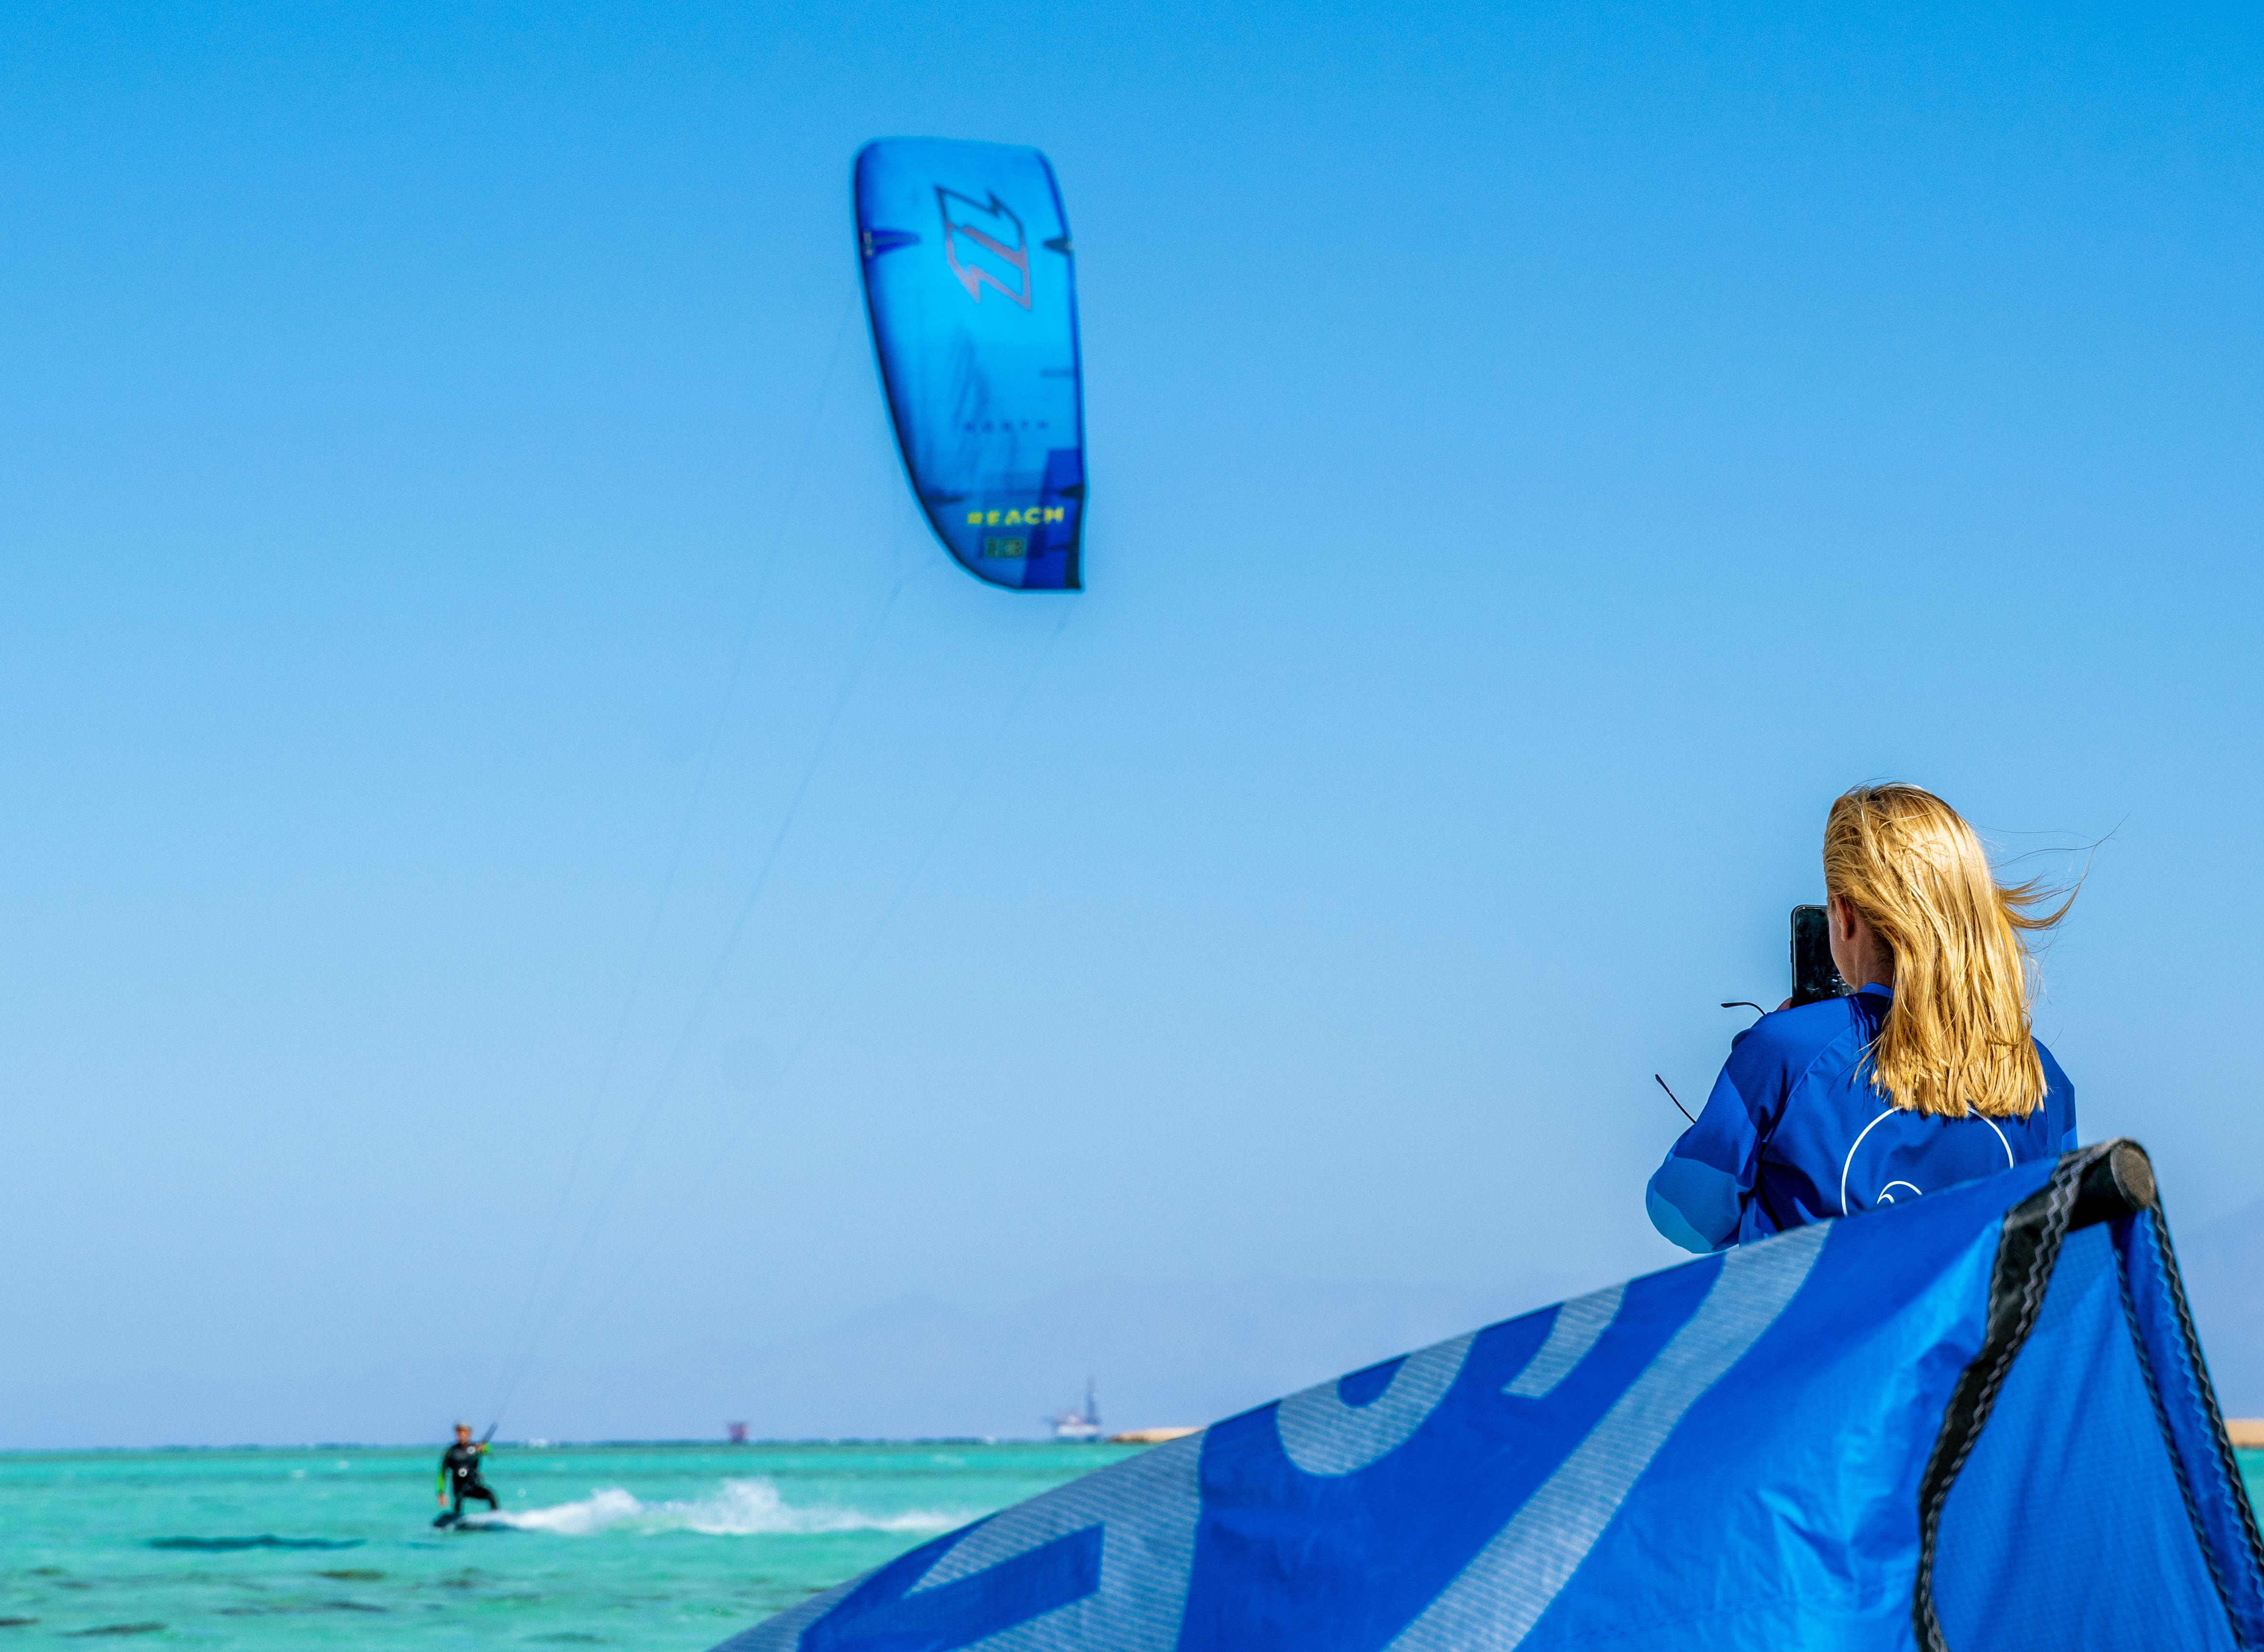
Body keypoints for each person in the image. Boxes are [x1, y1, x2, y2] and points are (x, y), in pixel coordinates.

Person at [1647, 784, 2077, 1253]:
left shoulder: (1784, 1051)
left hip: (1823, 1326)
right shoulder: (2041, 1076)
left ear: (1844, 914)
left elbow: (1681, 1217)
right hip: (1967, 1328)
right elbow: (2060, 1248)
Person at [437, 1422, 499, 1519]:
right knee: (458, 1499)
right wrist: (441, 1492)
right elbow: (442, 1473)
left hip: (474, 1486)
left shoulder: (476, 1448)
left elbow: (489, 1451)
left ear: (469, 1433)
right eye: (459, 1432)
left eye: (464, 1432)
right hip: (459, 1488)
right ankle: (457, 1520)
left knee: (491, 1494)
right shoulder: (451, 1451)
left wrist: (484, 1448)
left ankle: (496, 1518)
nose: (461, 1434)